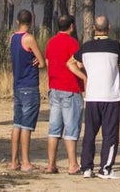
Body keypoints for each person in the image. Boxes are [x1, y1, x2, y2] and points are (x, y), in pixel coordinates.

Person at [68, 15, 120, 180]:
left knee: (90, 133)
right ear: (109, 28)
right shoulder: (115, 46)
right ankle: (105, 169)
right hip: (110, 96)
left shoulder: (86, 47)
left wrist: (84, 76)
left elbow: (70, 62)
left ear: (94, 28)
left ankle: (86, 167)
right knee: (110, 134)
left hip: (92, 95)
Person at [44, 13, 83, 175]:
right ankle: (72, 164)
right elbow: (78, 64)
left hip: (54, 89)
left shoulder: (51, 42)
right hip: (70, 88)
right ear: (72, 26)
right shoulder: (72, 43)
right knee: (71, 128)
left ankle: (51, 164)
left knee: (54, 129)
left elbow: (47, 62)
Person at [9, 9, 45, 172]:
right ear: (31, 22)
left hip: (17, 85)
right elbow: (42, 62)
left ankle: (13, 161)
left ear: (18, 21)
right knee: (26, 126)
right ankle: (26, 162)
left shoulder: (13, 38)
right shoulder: (29, 38)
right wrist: (38, 60)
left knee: (17, 123)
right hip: (29, 85)